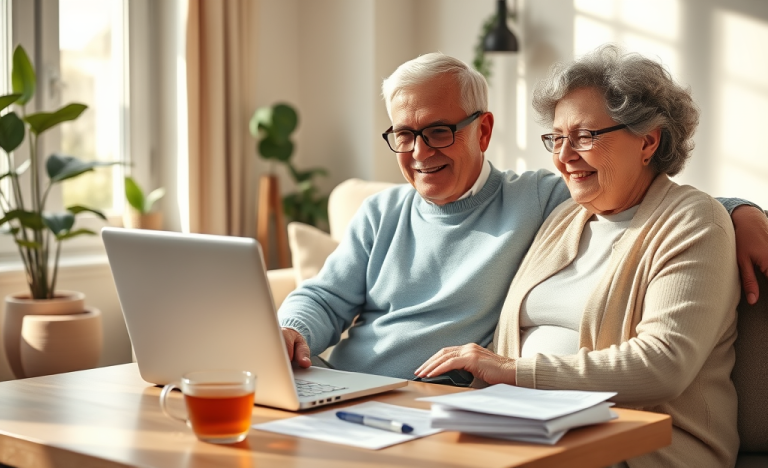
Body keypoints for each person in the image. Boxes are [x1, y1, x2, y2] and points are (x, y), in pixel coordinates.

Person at [278, 51, 768, 383]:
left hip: (429, 398)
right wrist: (290, 331)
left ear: (483, 130)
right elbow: (324, 297)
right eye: (404, 134)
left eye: (440, 131)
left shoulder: (541, 202)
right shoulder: (381, 211)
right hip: (342, 382)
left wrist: (739, 213)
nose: (419, 151)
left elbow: (644, 197)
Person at [416, 45, 740, 466]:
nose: (564, 157)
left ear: (648, 141)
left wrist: (512, 371)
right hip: (531, 425)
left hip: (642, 443)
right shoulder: (565, 216)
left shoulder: (693, 221)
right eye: (556, 138)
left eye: (584, 137)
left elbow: (663, 364)